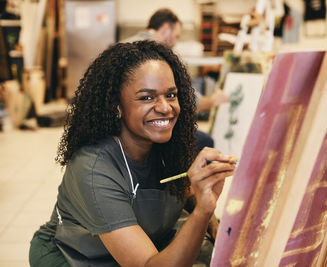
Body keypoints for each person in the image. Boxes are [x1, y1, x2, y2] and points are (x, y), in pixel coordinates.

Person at [29, 40, 236, 266]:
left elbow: (184, 192)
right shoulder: (93, 167)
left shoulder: (170, 145)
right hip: (76, 257)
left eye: (171, 95)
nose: (165, 108)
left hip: (142, 248)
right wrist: (202, 212)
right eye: (146, 97)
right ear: (116, 106)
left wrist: (210, 217)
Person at [121, 8, 229, 153]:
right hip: (139, 131)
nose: (175, 42)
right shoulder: (156, 55)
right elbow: (190, 100)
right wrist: (212, 101)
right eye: (176, 36)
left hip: (122, 128)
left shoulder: (122, 46)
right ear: (165, 29)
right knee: (204, 140)